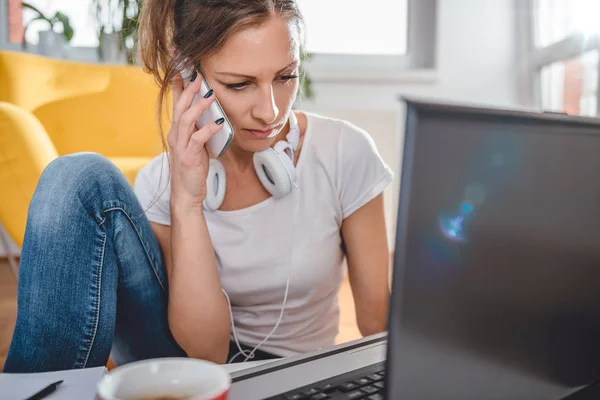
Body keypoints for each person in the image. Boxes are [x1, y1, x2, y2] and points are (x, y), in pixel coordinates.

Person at [4, 0, 393, 373]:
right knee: (75, 178)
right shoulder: (163, 179)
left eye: (285, 76)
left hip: (296, 371)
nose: (270, 111)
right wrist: (187, 199)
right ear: (189, 73)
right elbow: (206, 353)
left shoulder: (344, 152)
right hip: (188, 366)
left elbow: (378, 324)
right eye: (240, 85)